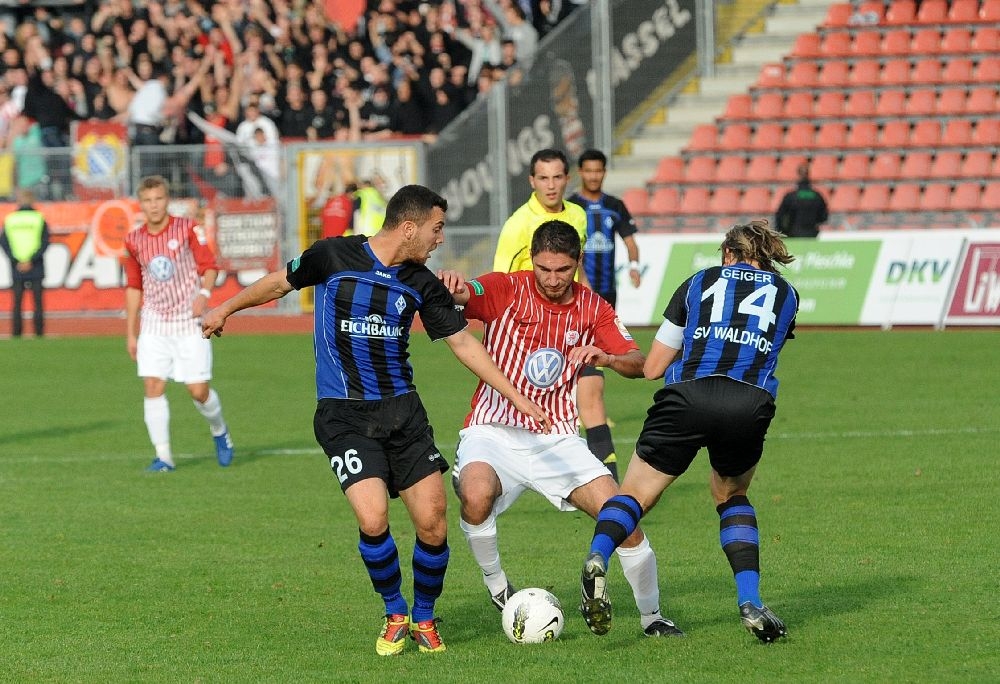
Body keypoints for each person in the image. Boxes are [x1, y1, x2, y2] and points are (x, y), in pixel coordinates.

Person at [200, 184, 550, 657]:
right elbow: (278, 283)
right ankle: (395, 611)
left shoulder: (422, 281)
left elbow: (464, 343)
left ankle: (424, 617)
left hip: (404, 414)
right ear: (409, 227)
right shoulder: (331, 256)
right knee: (373, 518)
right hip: (344, 415)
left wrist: (519, 397)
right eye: (436, 228)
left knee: (433, 523)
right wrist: (225, 308)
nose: (440, 238)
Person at [441, 220, 682, 638]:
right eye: (544, 269)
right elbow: (466, 293)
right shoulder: (507, 288)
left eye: (562, 270)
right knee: (475, 495)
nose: (552, 279)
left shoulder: (593, 308)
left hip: (557, 436)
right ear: (531, 260)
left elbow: (640, 363)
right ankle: (498, 586)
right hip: (492, 429)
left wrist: (604, 357)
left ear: (577, 263)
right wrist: (453, 285)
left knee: (622, 517)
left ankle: (652, 618)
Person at [579, 220, 798, 643]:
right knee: (731, 494)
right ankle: (749, 601)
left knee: (636, 494)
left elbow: (653, 368)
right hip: (748, 402)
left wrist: (609, 359)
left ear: (727, 254)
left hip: (686, 397)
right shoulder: (787, 294)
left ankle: (598, 556)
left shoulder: (698, 281)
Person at [122, 175, 234, 472]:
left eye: (158, 199)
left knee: (198, 391)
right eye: (147, 200)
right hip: (154, 322)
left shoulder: (186, 228)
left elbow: (209, 265)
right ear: (141, 204)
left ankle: (220, 431)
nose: (153, 205)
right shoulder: (133, 240)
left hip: (189, 320)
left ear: (166, 199)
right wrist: (131, 332)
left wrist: (204, 294)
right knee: (153, 384)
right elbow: (134, 286)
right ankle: (164, 457)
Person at [568, 148, 642, 482]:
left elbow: (630, 241)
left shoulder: (615, 205)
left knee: (604, 351)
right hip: (575, 294)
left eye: (599, 171)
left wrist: (635, 266)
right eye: (589, 171)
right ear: (580, 172)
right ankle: (582, 406)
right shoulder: (572, 207)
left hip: (606, 295)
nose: (594, 176)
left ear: (604, 172)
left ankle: (590, 405)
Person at [493, 148, 587, 279]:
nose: (551, 185)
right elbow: (499, 282)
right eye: (543, 178)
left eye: (557, 177)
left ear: (567, 178)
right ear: (532, 181)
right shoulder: (517, 225)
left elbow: (578, 267)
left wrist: (591, 297)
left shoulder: (579, 214)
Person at [1, 188, 48, 337]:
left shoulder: (11, 219)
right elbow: (45, 242)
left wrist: (15, 260)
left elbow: (4, 242)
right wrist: (31, 260)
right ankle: (39, 332)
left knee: (17, 301)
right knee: (38, 301)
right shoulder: (39, 218)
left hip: (16, 265)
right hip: (36, 264)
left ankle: (16, 333)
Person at [775, 162, 829, 238]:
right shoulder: (817, 196)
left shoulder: (791, 197)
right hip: (812, 235)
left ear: (798, 175)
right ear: (808, 175)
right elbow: (824, 217)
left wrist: (784, 231)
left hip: (793, 236)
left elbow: (780, 217)